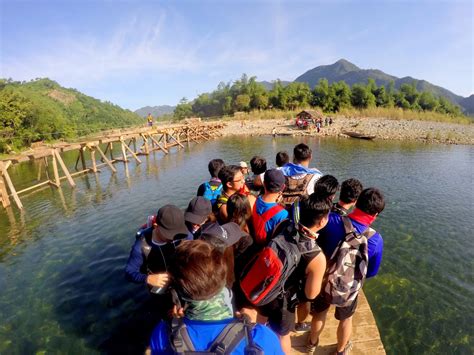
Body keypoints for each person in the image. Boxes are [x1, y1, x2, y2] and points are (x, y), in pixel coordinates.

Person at [149, 240, 284, 354]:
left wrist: (175, 323)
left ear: (178, 292)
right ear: (222, 280)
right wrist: (250, 326)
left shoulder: (163, 334)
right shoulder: (259, 337)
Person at [308, 188, 385, 354]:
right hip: (349, 286)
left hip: (324, 279)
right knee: (346, 319)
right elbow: (371, 272)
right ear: (376, 215)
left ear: (356, 203)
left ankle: (312, 343)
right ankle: (341, 350)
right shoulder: (375, 240)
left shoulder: (332, 221)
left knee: (319, 313)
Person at [256, 195, 330, 354]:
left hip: (264, 286)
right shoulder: (316, 256)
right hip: (284, 301)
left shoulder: (283, 225)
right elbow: (311, 294)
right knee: (283, 336)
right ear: (322, 221)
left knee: (260, 325)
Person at [125, 205, 188, 320]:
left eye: (176, 234)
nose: (173, 238)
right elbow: (129, 272)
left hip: (180, 283)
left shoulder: (181, 236)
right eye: (169, 235)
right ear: (156, 226)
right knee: (166, 315)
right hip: (160, 288)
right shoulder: (141, 246)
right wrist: (147, 278)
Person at [251, 169, 288, 245]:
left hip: (254, 244)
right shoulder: (283, 214)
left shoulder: (253, 200)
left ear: (264, 184)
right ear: (283, 187)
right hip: (267, 249)